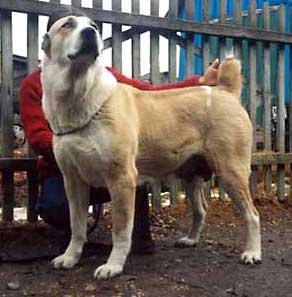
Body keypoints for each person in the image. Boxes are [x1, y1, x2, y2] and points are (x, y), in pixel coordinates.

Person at [19, 9, 219, 254]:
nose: (86, 30)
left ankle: (138, 238)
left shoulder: (107, 77)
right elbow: (38, 138)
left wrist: (198, 83)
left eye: (91, 27)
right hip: (62, 170)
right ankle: (73, 239)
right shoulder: (31, 85)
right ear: (48, 45)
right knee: (53, 207)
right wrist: (80, 152)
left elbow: (148, 92)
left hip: (106, 164)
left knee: (130, 165)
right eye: (68, 27)